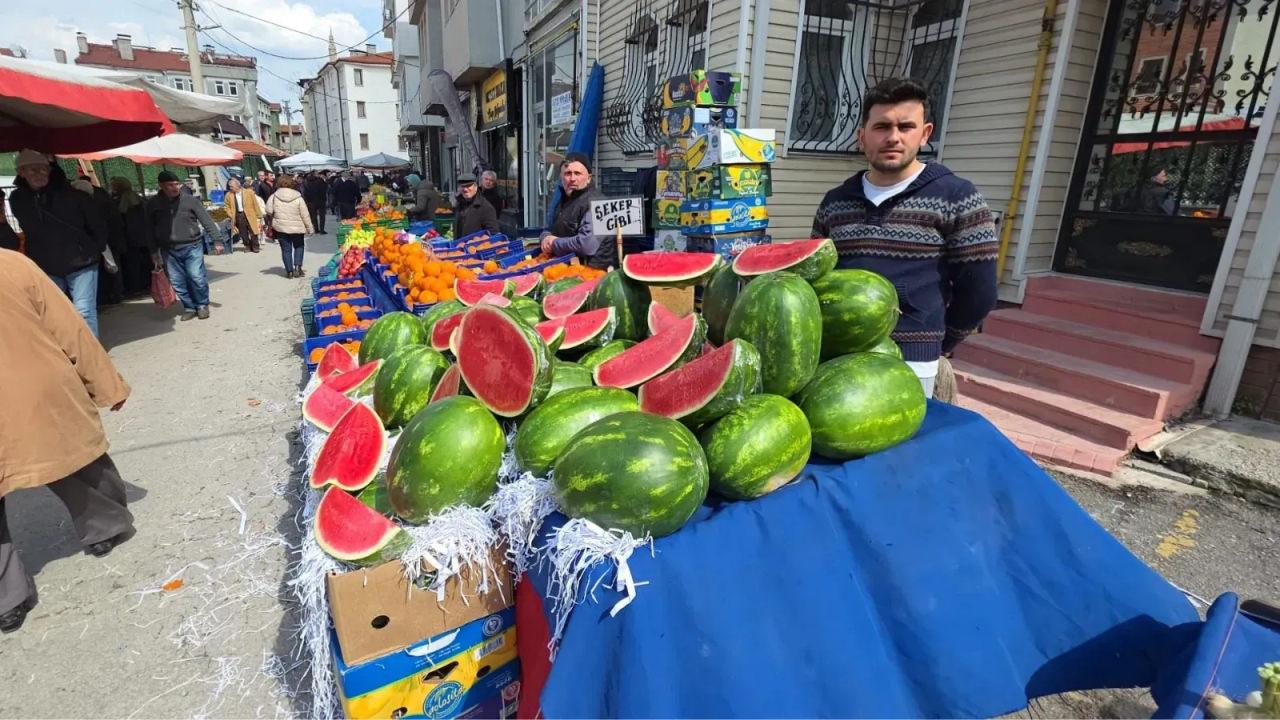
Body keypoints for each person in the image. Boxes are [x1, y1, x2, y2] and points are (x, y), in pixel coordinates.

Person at [811, 78, 998, 397]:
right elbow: (818, 276)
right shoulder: (835, 201)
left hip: (913, 361)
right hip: (839, 357)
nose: (893, 137)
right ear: (862, 136)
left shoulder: (956, 196)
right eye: (881, 126)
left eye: (905, 126)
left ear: (925, 134)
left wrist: (941, 340)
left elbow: (979, 290)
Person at [0, 248, 136, 634]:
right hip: (34, 388)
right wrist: (106, 382)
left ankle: (5, 599)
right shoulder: (11, 263)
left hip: (27, 387)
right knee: (75, 458)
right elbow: (68, 325)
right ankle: (105, 526)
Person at [8, 150, 109, 336]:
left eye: (43, 169)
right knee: (53, 313)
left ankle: (92, 358)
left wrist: (95, 247)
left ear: (50, 170)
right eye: (32, 170)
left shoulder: (74, 194)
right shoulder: (17, 199)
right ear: (21, 172)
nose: (39, 174)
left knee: (84, 310)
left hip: (82, 261)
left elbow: (97, 224)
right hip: (46, 263)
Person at [146, 170, 224, 321]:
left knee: (196, 276)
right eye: (170, 185)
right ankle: (189, 307)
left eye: (177, 184)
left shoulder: (190, 200)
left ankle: (202, 305)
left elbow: (206, 221)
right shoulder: (153, 204)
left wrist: (218, 240)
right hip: (168, 249)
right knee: (177, 281)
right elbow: (149, 229)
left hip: (192, 245)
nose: (175, 188)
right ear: (161, 186)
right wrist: (153, 251)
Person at [539, 153, 610, 268]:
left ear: (589, 178)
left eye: (577, 173)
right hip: (566, 267)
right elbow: (549, 229)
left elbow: (587, 245)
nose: (572, 179)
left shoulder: (597, 203)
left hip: (593, 271)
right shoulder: (563, 200)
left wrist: (554, 243)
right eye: (568, 174)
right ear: (561, 178)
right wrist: (545, 238)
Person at [71, 177, 127, 305]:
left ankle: (110, 295)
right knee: (113, 266)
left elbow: (98, 223)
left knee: (109, 268)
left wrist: (100, 242)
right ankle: (116, 294)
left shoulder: (90, 202)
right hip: (110, 238)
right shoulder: (102, 195)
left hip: (104, 241)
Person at [108, 177, 151, 297]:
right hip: (142, 237)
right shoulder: (138, 198)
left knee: (133, 264)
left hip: (131, 238)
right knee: (143, 262)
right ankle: (146, 284)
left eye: (113, 185)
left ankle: (135, 287)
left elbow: (122, 220)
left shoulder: (123, 201)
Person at [266, 175, 314, 278]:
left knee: (286, 250)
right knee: (299, 246)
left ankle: (289, 272)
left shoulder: (274, 196)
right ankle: (298, 267)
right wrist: (310, 228)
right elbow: (305, 214)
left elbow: (268, 210)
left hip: (280, 228)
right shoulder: (298, 197)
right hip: (297, 228)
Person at [223, 177, 263, 253]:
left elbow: (255, 204)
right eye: (230, 186)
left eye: (231, 186)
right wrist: (230, 214)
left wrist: (259, 215)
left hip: (250, 214)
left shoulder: (249, 192)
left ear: (237, 186)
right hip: (238, 215)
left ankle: (255, 246)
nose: (230, 188)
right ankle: (247, 246)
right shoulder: (228, 195)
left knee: (253, 231)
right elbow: (226, 206)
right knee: (243, 232)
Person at [453, 173, 500, 238]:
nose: (465, 189)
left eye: (468, 186)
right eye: (462, 186)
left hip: (475, 247)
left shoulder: (486, 208)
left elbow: (493, 233)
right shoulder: (459, 203)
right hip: (458, 246)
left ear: (475, 187)